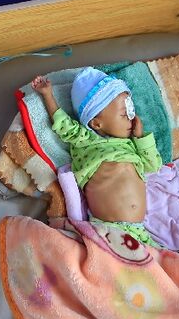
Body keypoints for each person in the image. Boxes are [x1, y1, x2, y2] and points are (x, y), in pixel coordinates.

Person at [31, 67, 163, 246]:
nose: (132, 119)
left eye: (130, 113)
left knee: (165, 266)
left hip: (139, 232)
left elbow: (153, 165)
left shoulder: (131, 145)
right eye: (124, 114)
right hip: (106, 231)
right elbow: (63, 124)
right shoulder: (85, 140)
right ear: (96, 122)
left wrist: (141, 138)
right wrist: (48, 95)